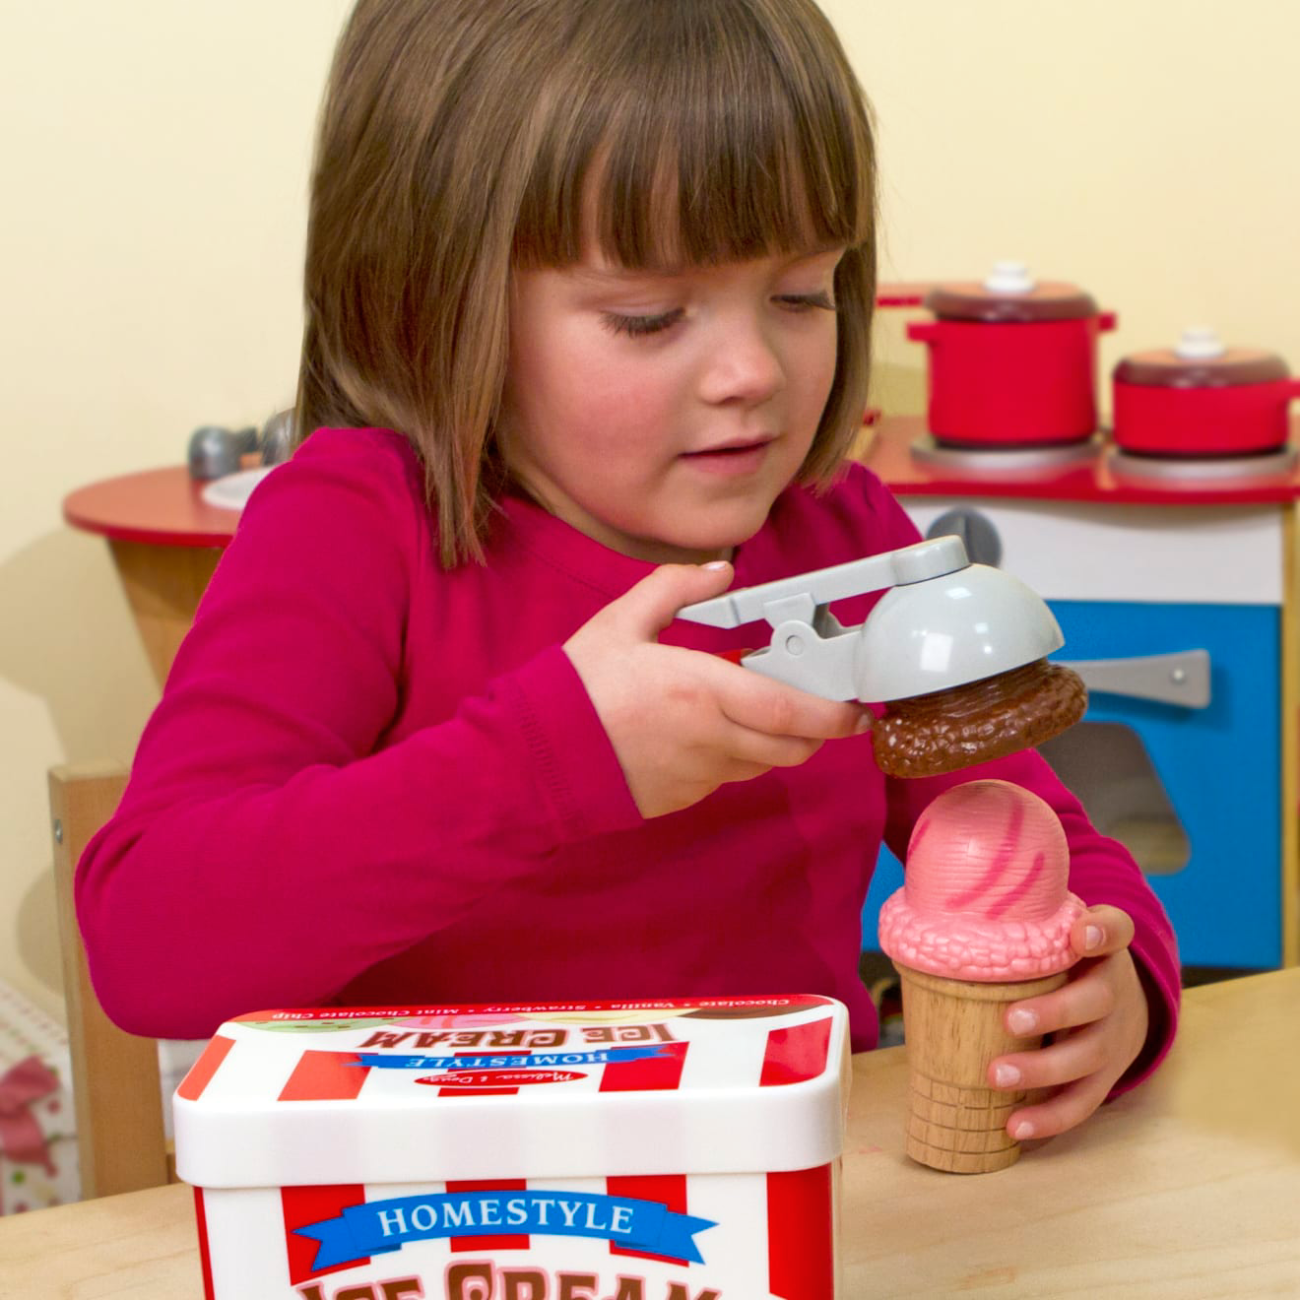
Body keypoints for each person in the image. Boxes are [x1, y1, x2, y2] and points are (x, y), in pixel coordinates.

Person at [78, 0, 1179, 1147]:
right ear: (435, 295)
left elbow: (1033, 831)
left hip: (783, 1188)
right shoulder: (355, 528)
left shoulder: (842, 532)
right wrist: (549, 762)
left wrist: (1117, 988)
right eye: (649, 316)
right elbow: (148, 943)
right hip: (433, 1205)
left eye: (801, 293)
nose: (752, 370)